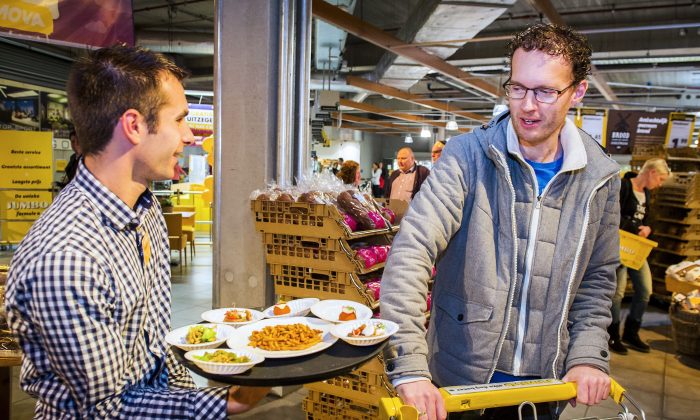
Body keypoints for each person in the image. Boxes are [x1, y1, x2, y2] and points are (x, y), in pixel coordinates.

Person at [5, 45, 268, 418]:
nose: (190, 136)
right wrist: (226, 403)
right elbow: (105, 409)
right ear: (133, 125)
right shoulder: (65, 258)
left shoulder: (144, 210)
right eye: (179, 120)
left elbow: (154, 351)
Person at [380, 24, 620, 420]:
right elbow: (412, 251)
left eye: (545, 91)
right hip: (462, 381)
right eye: (517, 88)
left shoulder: (600, 178)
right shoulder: (467, 158)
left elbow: (597, 279)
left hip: (545, 383)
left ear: (577, 91)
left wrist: (588, 355)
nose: (527, 105)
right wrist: (407, 362)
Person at [609, 158, 670, 355]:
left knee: (645, 290)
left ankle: (631, 333)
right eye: (660, 179)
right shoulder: (624, 187)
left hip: (637, 250)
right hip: (620, 248)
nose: (659, 184)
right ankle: (613, 335)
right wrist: (635, 227)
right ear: (651, 172)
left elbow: (648, 218)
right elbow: (613, 215)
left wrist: (649, 227)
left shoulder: (648, 195)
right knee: (617, 293)